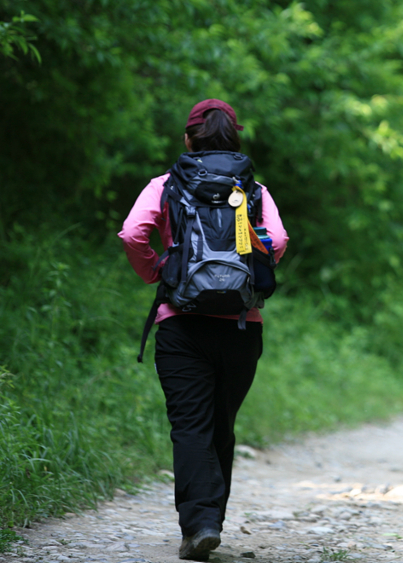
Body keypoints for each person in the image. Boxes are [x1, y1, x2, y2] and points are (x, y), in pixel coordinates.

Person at [119, 99, 289, 561]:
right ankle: (208, 519)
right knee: (221, 427)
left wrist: (160, 271)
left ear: (188, 139)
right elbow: (278, 239)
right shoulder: (254, 189)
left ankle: (201, 525)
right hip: (240, 326)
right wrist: (244, 275)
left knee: (190, 427)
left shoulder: (165, 184)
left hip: (181, 325)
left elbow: (133, 233)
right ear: (234, 139)